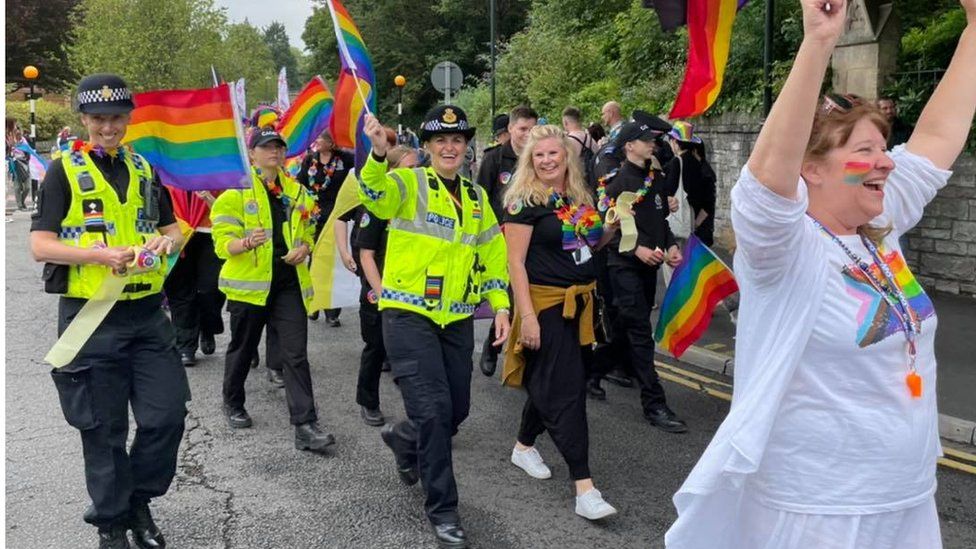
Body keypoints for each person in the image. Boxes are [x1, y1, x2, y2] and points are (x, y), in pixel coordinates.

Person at [666, 1, 976, 547]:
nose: (886, 161)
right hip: (817, 510)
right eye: (865, 151)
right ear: (811, 169)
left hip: (906, 497)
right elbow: (765, 180)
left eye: (883, 148)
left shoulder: (880, 222)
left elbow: (938, 134)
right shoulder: (784, 249)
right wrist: (818, 43)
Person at [29, 73, 190, 549]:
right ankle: (113, 526)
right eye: (98, 118)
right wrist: (99, 256)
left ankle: (138, 498)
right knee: (104, 430)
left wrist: (167, 240)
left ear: (128, 119)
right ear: (83, 119)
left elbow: (174, 230)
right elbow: (40, 246)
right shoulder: (63, 170)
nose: (108, 127)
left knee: (166, 418)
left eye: (117, 118)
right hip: (91, 318)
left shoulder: (143, 168)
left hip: (145, 316)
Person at [361, 106, 511, 549]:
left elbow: (493, 256)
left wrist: (500, 305)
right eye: (441, 140)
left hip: (457, 317)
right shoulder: (407, 183)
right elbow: (374, 194)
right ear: (426, 147)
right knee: (433, 411)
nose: (450, 147)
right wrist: (377, 153)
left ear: (466, 148)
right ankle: (443, 510)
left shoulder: (477, 198)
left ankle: (402, 438)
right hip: (408, 315)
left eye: (458, 140)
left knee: (456, 410)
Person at [502, 124, 620, 520]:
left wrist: (611, 227)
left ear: (565, 156)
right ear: (529, 161)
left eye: (553, 154)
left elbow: (588, 244)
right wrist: (529, 318)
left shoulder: (575, 196)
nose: (547, 160)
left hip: (580, 305)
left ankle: (522, 446)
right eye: (539, 156)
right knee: (567, 390)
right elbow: (514, 263)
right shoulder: (522, 202)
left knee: (552, 381)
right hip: (547, 305)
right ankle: (584, 488)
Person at [211, 127, 335, 453]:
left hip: (288, 282)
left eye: (279, 147)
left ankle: (305, 425)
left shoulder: (296, 191)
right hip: (250, 287)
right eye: (266, 147)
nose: (274, 153)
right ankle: (233, 401)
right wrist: (244, 243)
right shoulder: (235, 193)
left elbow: (310, 226)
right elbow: (222, 244)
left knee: (295, 354)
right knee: (243, 346)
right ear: (252, 154)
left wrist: (305, 247)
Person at [598, 120, 688, 433]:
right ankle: (655, 403)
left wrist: (671, 244)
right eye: (645, 139)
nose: (652, 143)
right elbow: (606, 229)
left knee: (625, 331)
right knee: (639, 333)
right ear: (629, 146)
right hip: (623, 266)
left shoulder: (654, 176)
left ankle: (590, 372)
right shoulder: (616, 181)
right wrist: (636, 249)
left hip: (649, 265)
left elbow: (659, 220)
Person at [349, 144, 420, 427]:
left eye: (419, 167)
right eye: (410, 169)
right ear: (391, 172)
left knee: (412, 348)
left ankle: (417, 404)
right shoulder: (377, 205)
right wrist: (383, 294)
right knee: (376, 346)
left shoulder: (418, 204)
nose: (417, 174)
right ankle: (368, 401)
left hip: (410, 288)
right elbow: (365, 254)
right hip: (379, 288)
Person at [475, 105, 538, 376]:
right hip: (502, 238)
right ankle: (493, 346)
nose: (528, 134)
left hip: (534, 237)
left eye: (532, 128)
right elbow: (481, 198)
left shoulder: (539, 156)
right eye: (523, 129)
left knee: (531, 297)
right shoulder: (494, 159)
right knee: (511, 298)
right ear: (510, 129)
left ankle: (525, 358)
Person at [297, 129, 355, 327]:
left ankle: (332, 311)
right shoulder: (309, 160)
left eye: (321, 139)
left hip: (337, 216)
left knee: (332, 261)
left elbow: (357, 178)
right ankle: (313, 304)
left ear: (331, 143)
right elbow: (301, 183)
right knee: (315, 259)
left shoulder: (345, 159)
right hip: (314, 215)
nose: (317, 142)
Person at [163, 189, 226, 366]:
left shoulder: (215, 162)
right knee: (180, 290)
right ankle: (185, 345)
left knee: (211, 287)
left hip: (209, 230)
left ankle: (208, 325)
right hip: (173, 228)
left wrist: (210, 199)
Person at [663, 121, 717, 246]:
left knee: (675, 260)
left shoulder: (677, 162)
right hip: (691, 217)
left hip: (678, 217)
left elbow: (669, 191)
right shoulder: (698, 163)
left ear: (675, 142)